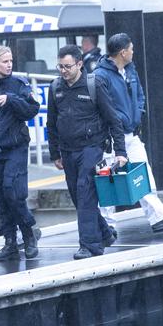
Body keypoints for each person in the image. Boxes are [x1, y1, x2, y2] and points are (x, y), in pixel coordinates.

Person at [95, 33, 163, 232]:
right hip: (111, 138)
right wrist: (123, 119)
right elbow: (105, 107)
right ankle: (106, 226)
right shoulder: (101, 76)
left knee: (143, 174)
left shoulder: (129, 69)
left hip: (132, 134)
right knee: (109, 181)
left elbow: (139, 95)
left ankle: (159, 217)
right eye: (131, 49)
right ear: (123, 52)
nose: (133, 52)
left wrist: (138, 112)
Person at [47, 45, 127, 259]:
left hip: (91, 147)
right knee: (77, 196)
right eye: (60, 66)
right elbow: (51, 123)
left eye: (68, 66)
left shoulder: (94, 84)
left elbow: (113, 119)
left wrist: (120, 151)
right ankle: (105, 232)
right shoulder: (55, 87)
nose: (63, 71)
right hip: (67, 150)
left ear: (80, 64)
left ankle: (90, 245)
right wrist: (54, 153)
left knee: (85, 191)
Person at [0, 46, 41, 260]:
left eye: (11, 61)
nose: (9, 65)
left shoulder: (18, 85)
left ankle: (29, 234)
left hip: (16, 146)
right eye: (5, 61)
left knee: (12, 191)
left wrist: (11, 99)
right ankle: (10, 242)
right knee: (1, 196)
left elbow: (32, 109)